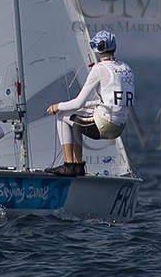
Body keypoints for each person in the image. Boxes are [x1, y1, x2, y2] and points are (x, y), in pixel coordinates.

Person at [45, 30, 135, 177]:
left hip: (103, 125)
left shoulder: (99, 68)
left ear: (98, 48)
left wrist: (57, 106)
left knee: (62, 115)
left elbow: (78, 102)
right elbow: (110, 102)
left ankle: (69, 165)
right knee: (75, 120)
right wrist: (88, 105)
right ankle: (78, 166)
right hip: (119, 127)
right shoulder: (126, 68)